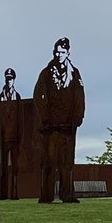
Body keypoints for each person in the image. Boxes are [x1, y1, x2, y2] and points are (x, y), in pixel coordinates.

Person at [33, 37, 85, 204]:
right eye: (56, 52)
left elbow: (80, 97)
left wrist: (77, 118)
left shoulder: (74, 73)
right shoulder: (46, 73)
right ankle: (46, 196)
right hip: (51, 127)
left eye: (62, 52)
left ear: (68, 53)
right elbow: (38, 96)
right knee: (48, 162)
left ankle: (67, 194)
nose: (59, 55)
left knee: (67, 163)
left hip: (68, 127)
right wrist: (45, 119)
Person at [0, 67, 23, 200]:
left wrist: (20, 137)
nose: (9, 81)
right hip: (4, 139)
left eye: (11, 79)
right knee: (3, 168)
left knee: (15, 168)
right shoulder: (1, 97)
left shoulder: (17, 97)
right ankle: (3, 194)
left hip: (15, 138)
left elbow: (20, 119)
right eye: (7, 78)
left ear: (14, 80)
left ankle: (15, 193)